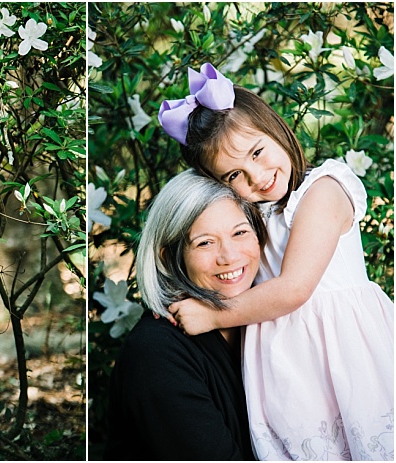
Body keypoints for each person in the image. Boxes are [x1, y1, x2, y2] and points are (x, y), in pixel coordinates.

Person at [159, 63, 394, 460]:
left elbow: (294, 288)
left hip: (346, 356)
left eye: (257, 152)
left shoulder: (323, 191)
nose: (257, 177)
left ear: (275, 129)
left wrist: (213, 316)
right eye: (234, 174)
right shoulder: (255, 212)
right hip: (288, 372)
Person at [106, 169, 263, 460]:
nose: (229, 256)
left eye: (240, 232)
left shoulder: (267, 324)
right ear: (170, 257)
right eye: (205, 242)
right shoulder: (156, 354)